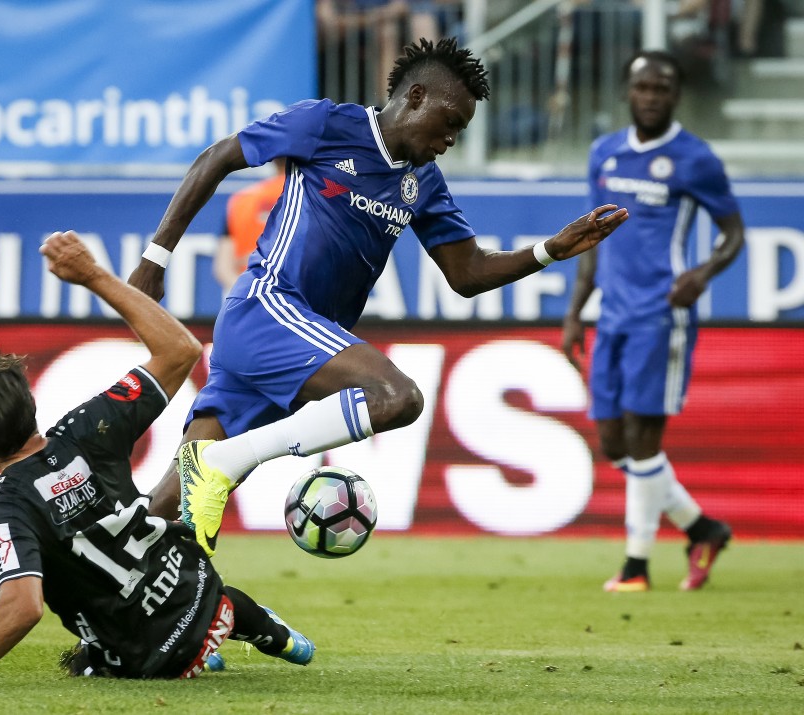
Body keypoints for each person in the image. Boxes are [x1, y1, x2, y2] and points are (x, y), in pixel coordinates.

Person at [126, 38, 629, 559]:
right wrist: (155, 257)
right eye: (450, 121)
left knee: (165, 510)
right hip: (268, 308)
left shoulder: (424, 183)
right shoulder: (326, 124)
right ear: (415, 96)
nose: (452, 138)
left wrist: (551, 250)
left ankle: (98, 588)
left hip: (299, 346)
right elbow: (218, 157)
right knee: (397, 398)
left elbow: (468, 272)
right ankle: (224, 464)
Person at [0, 231, 313, 685]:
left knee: (84, 656)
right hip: (201, 593)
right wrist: (93, 276)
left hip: (146, 662)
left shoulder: (1, 504)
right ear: (30, 404)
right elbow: (181, 351)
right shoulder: (87, 428)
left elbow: (25, 606)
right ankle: (266, 631)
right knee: (188, 587)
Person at [561, 50, 745, 593]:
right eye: (642, 87)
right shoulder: (605, 153)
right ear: (627, 91)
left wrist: (704, 273)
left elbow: (733, 233)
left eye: (661, 89)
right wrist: (575, 313)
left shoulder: (695, 158)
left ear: (675, 95)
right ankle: (703, 528)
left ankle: (637, 566)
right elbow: (591, 241)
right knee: (614, 443)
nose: (651, 97)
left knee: (644, 440)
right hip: (611, 316)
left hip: (662, 316)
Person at [212, 157, 287, 296]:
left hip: (248, 297)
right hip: (296, 301)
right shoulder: (317, 196)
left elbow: (223, 267)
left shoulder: (242, 199)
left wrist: (250, 293)